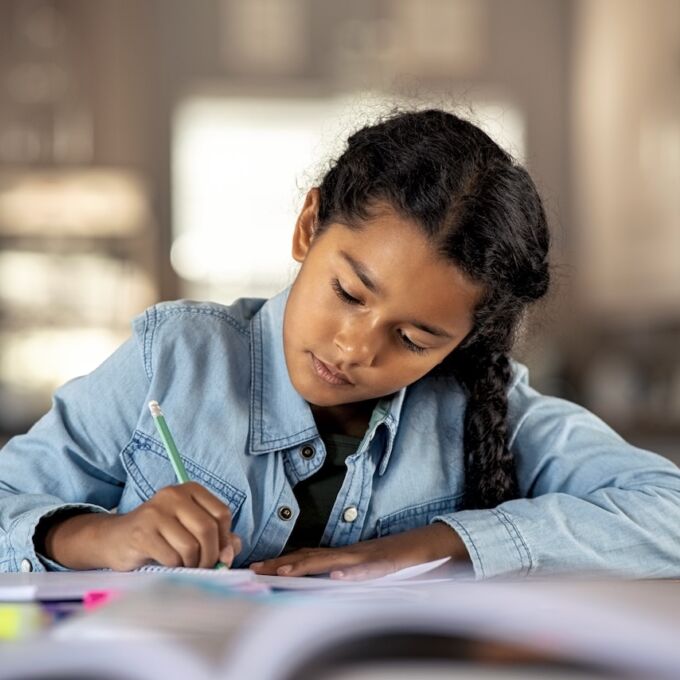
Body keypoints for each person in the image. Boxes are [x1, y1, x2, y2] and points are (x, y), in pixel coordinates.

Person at [1, 109, 679, 578]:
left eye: (414, 339)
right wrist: (95, 536)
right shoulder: (174, 359)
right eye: (350, 293)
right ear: (308, 226)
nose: (355, 348)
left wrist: (426, 547)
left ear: (463, 342)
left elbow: (666, 512)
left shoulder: (482, 405)